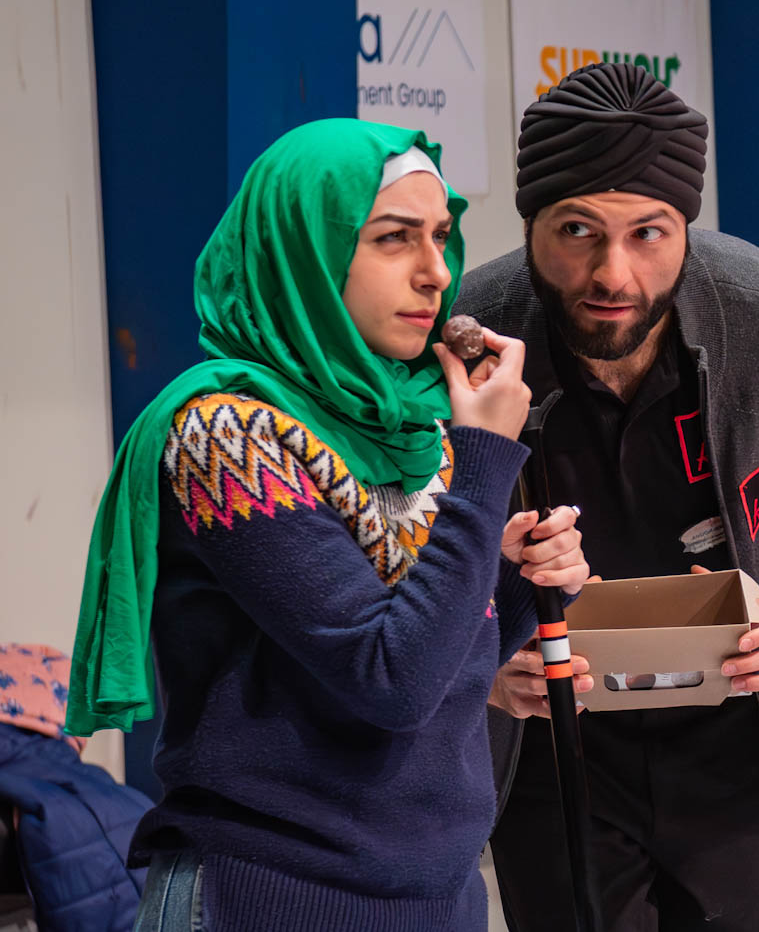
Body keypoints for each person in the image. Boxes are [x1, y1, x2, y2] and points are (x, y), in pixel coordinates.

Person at [64, 120, 592, 931]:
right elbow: (393, 681)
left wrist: (513, 580)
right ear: (305, 248)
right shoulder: (226, 435)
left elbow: (442, 662)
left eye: (442, 237)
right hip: (273, 894)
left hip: (437, 892)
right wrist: (484, 467)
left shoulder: (415, 426)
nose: (435, 273)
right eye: (393, 239)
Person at [461, 62, 759, 931]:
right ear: (530, 222)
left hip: (733, 732)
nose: (613, 272)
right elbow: (403, 554)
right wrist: (476, 659)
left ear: (686, 226)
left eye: (649, 233)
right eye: (577, 229)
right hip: (552, 745)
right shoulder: (465, 339)